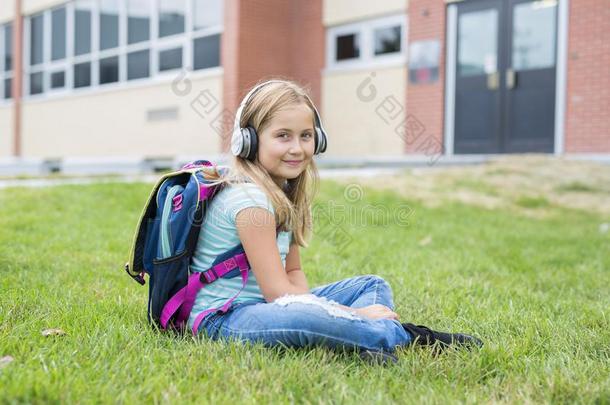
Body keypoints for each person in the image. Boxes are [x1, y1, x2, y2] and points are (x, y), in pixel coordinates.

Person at [187, 79, 482, 365]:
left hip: (269, 305)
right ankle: (402, 335)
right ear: (248, 141)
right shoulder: (250, 200)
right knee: (307, 317)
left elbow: (294, 271)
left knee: (370, 285)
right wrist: (357, 314)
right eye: (283, 136)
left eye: (306, 135)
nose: (298, 148)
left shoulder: (279, 193)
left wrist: (317, 305)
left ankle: (359, 341)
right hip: (224, 318)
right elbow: (277, 292)